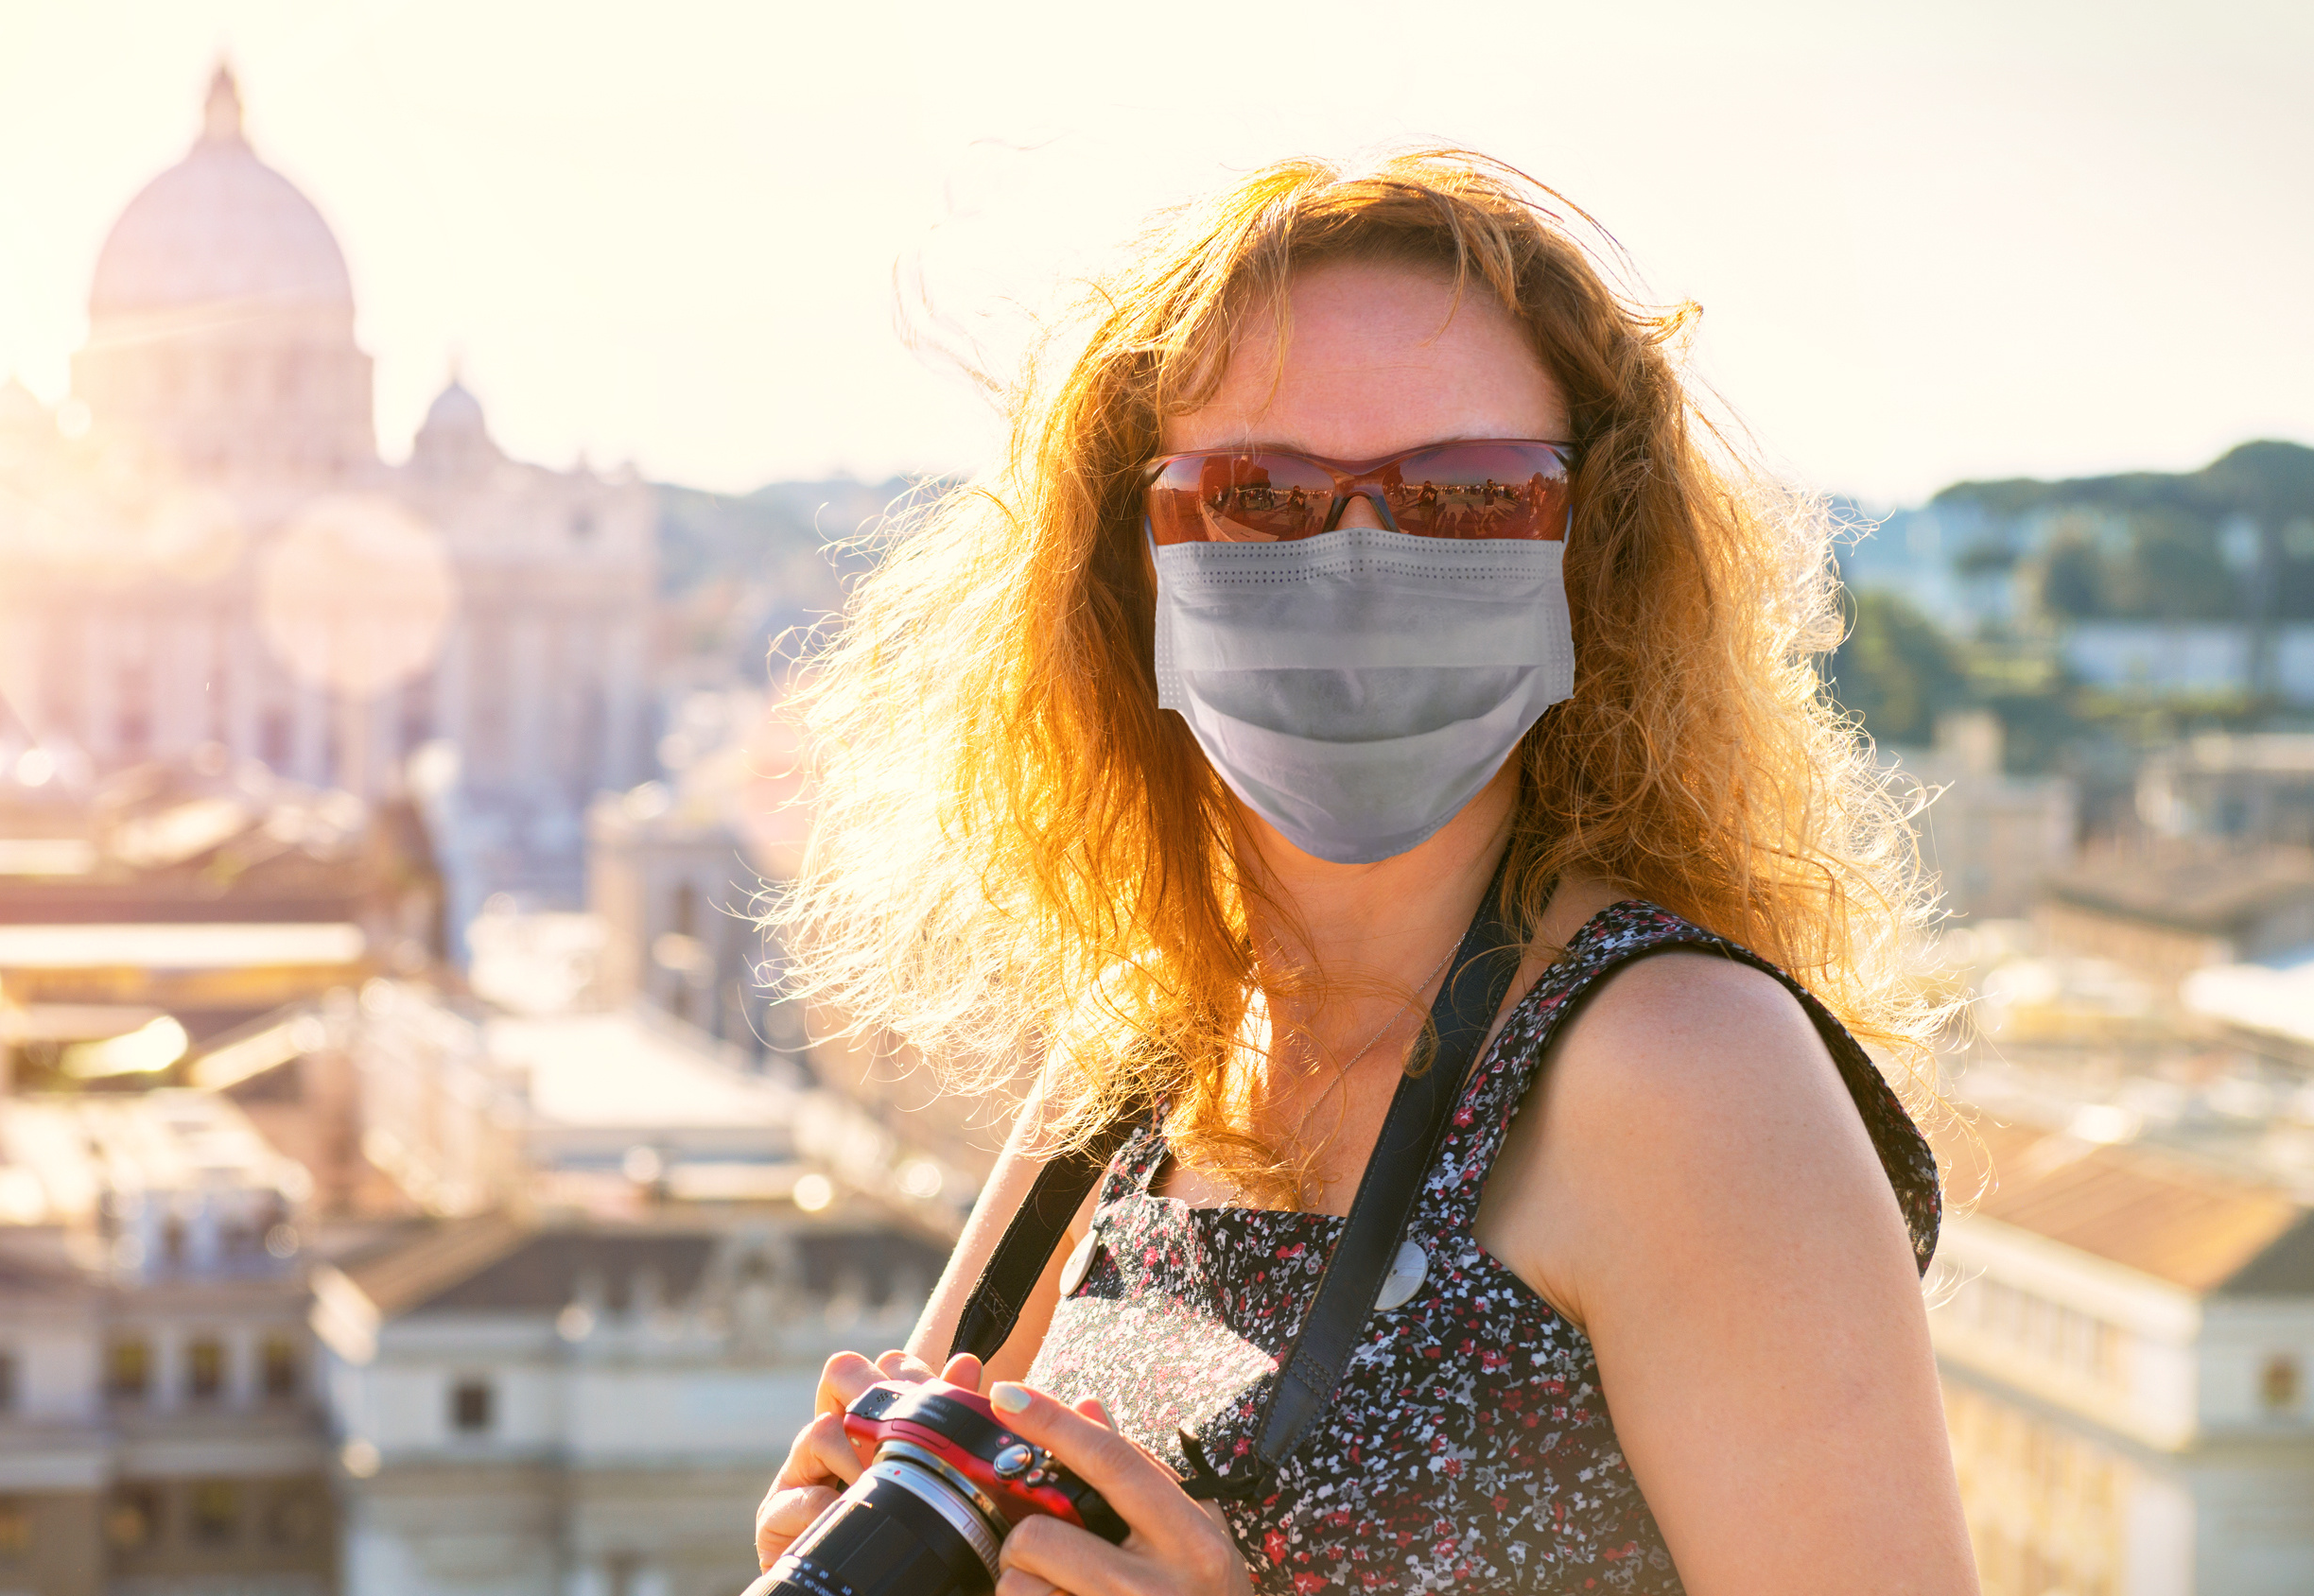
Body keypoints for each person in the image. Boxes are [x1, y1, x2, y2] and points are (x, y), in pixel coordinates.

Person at [753, 152, 1976, 1594]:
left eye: (1466, 499)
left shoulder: (1685, 1073)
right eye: (1258, 494)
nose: (1356, 556)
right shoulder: (1143, 1058)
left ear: (1590, 555)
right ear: (1130, 565)